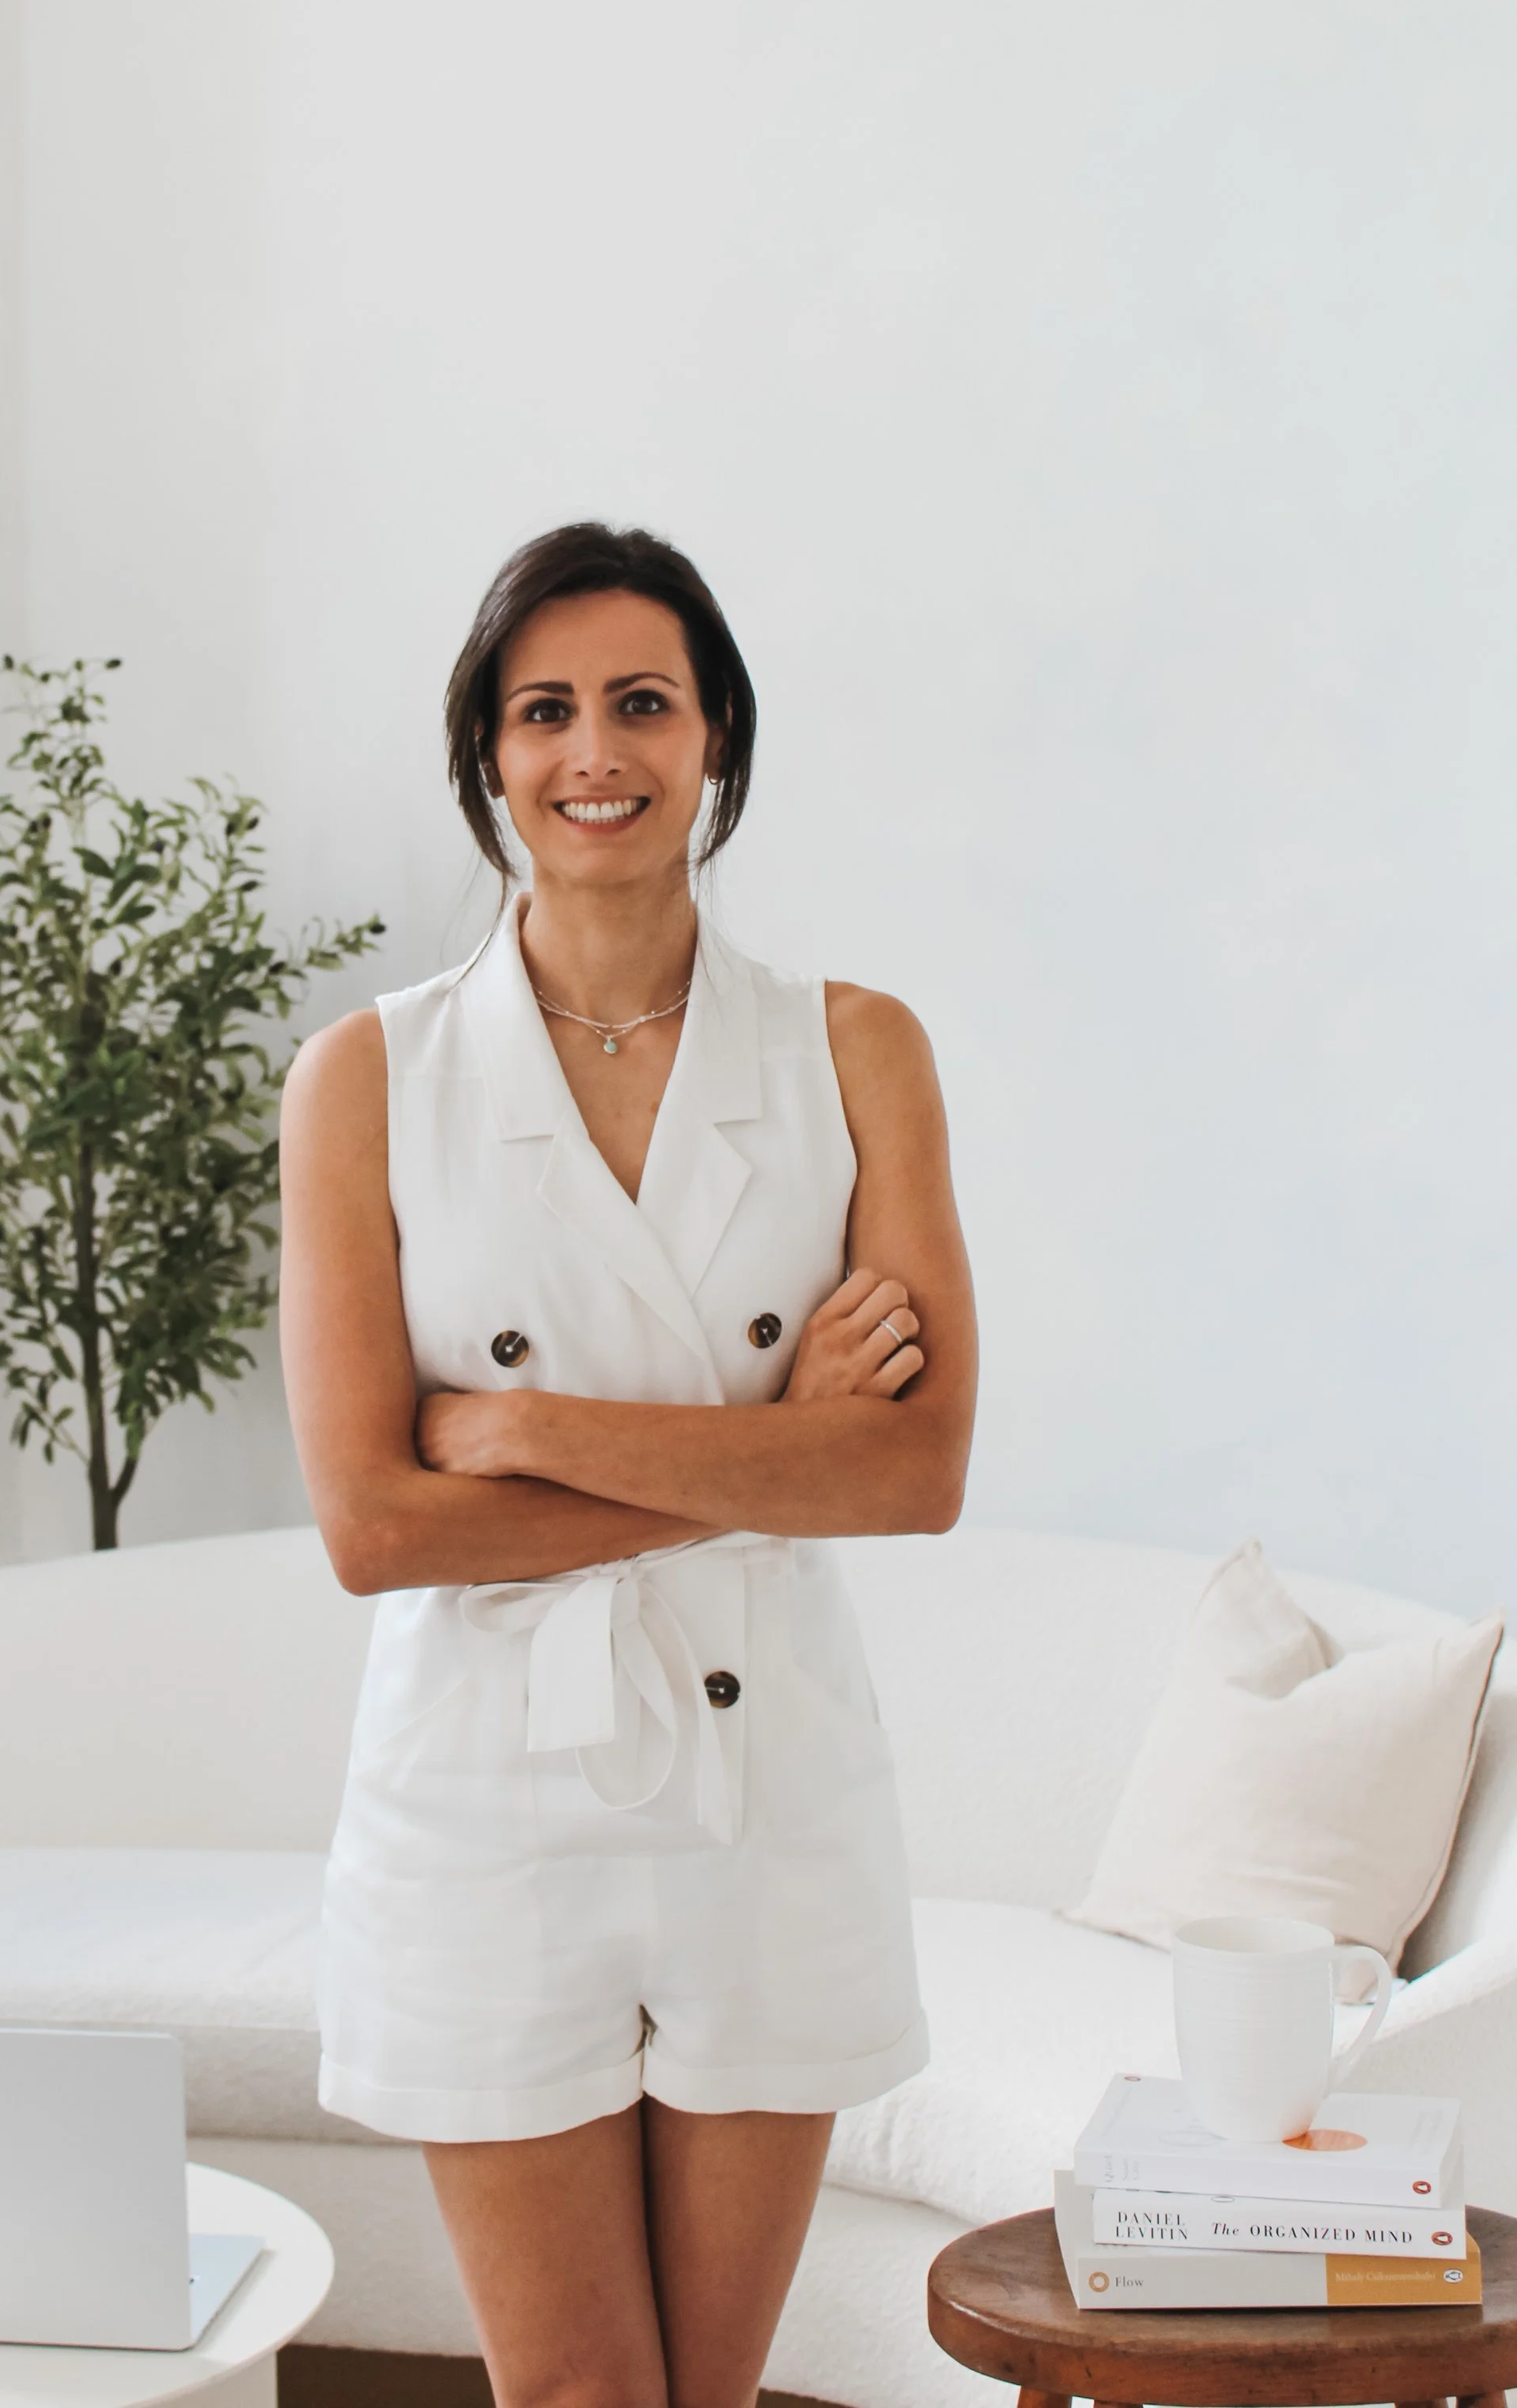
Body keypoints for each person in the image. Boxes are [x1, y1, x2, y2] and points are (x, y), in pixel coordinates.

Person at [280, 522, 977, 2408]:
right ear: (487, 761)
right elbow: (371, 1525)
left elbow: (914, 1476)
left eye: (643, 704)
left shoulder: (855, 1050)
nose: (596, 750)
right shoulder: (368, 1078)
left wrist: (520, 1436)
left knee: (711, 2400)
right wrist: (773, 1451)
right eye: (545, 710)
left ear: (717, 748)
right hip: (486, 1803)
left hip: (770, 1797)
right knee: (578, 2397)